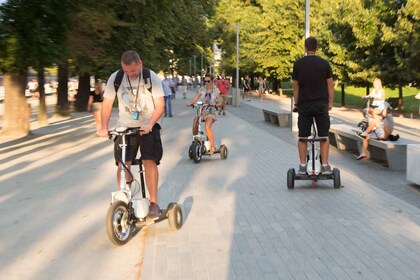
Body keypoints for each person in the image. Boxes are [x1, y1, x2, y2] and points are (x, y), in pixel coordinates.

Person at [99, 50, 165, 220]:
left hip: (147, 125)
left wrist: (150, 124)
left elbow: (160, 105)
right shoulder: (116, 78)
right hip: (125, 126)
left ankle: (153, 203)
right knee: (123, 163)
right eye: (127, 71)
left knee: (149, 160)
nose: (130, 74)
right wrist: (103, 127)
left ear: (140, 64)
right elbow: (106, 104)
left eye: (133, 71)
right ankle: (125, 197)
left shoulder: (151, 77)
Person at [292, 36, 334, 175]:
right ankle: (325, 165)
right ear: (317, 48)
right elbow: (330, 86)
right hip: (321, 104)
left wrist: (296, 104)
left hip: (305, 105)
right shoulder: (325, 64)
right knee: (324, 135)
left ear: (305, 47)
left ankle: (303, 166)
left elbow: (296, 87)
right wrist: (330, 103)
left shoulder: (298, 64)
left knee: (303, 137)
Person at [186, 73, 222, 154]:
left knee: (207, 127)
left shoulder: (216, 90)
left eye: (208, 81)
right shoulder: (202, 89)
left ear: (212, 81)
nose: (206, 82)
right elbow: (196, 97)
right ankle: (196, 142)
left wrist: (215, 104)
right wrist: (191, 103)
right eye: (205, 81)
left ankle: (212, 146)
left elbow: (220, 103)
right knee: (195, 125)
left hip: (210, 111)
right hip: (202, 111)